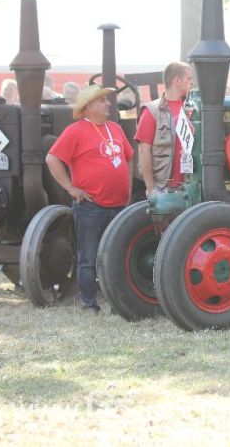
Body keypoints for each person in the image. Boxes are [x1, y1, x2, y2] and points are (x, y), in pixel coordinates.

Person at [45, 84, 134, 313]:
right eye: (102, 100)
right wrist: (71, 188)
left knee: (118, 256)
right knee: (88, 257)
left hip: (119, 205)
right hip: (91, 206)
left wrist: (128, 186)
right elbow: (52, 159)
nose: (108, 104)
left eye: (107, 99)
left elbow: (128, 157)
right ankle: (89, 304)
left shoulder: (115, 128)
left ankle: (117, 304)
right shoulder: (75, 131)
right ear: (89, 106)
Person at [135, 61, 193, 197]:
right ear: (177, 81)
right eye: (189, 78)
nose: (193, 82)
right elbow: (144, 151)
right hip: (164, 189)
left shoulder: (194, 108)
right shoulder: (152, 111)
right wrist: (150, 188)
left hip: (191, 188)